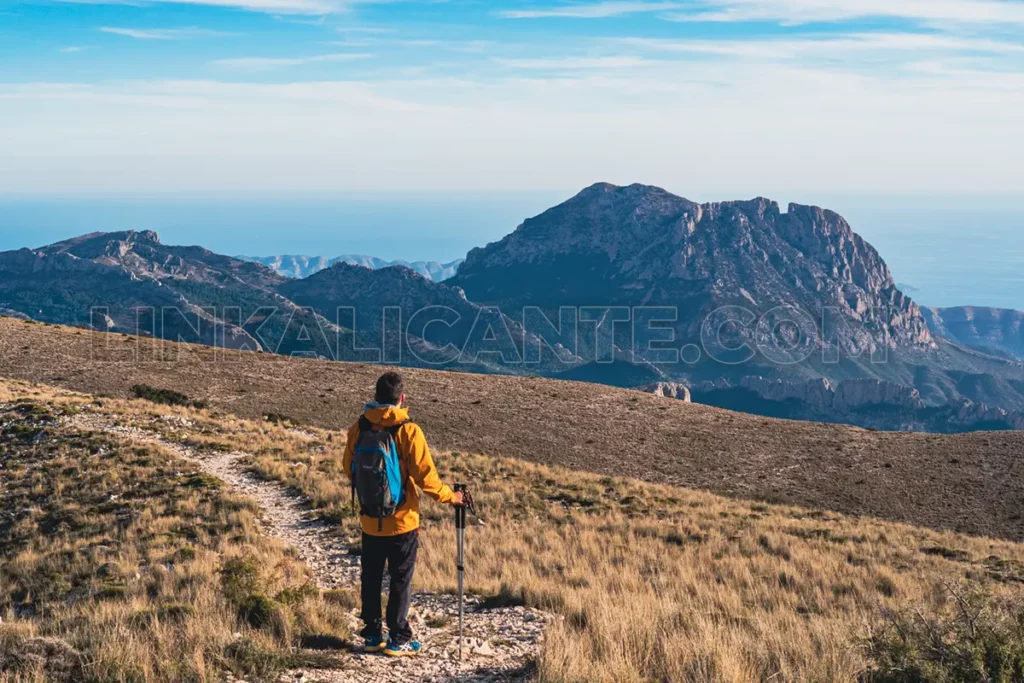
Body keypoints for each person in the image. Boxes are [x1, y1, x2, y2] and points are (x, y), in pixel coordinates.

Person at [343, 371, 464, 657]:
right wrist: (452, 497)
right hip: (403, 521)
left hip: (370, 520)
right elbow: (427, 479)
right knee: (399, 580)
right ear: (402, 398)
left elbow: (349, 467)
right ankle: (399, 637)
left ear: (375, 397)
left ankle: (372, 634)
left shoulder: (359, 428)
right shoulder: (408, 430)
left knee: (370, 577)